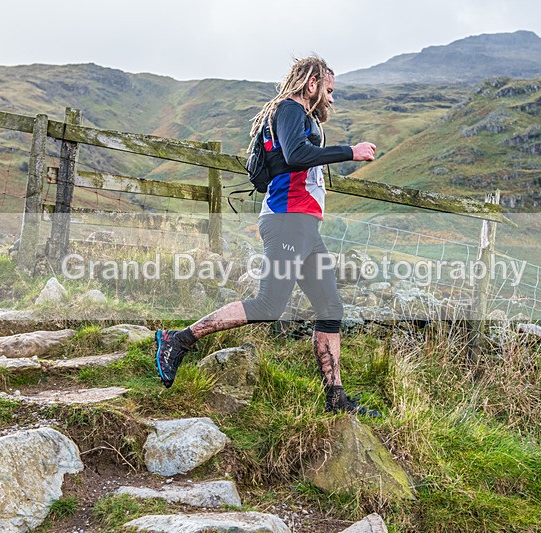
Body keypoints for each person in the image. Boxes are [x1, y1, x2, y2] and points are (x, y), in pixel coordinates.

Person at [155, 55, 379, 416]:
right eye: (330, 91)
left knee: (331, 308)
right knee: (269, 305)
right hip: (287, 221)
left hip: (304, 225)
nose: (332, 100)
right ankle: (176, 340)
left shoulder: (301, 117)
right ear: (312, 85)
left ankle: (336, 399)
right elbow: (296, 153)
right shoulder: (290, 110)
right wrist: (349, 152)